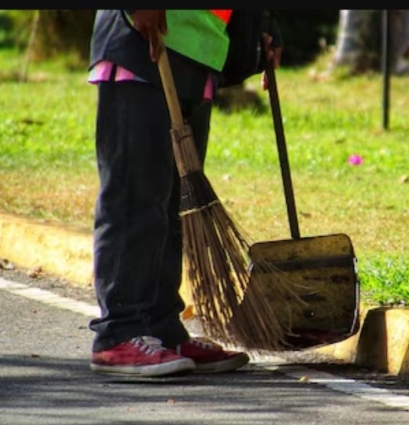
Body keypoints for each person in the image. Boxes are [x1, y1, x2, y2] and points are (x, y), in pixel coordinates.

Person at [87, 10, 283, 379]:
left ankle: (162, 329)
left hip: (198, 51)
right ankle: (119, 332)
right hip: (141, 42)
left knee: (173, 205)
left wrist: (263, 23)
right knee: (135, 198)